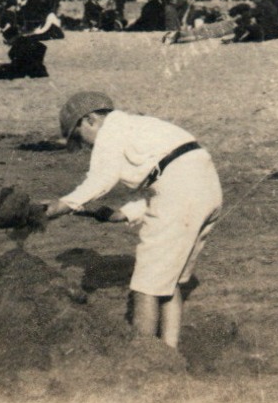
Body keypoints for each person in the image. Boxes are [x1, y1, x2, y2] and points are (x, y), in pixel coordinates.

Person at [41, 91, 222, 348]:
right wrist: (122, 214)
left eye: (79, 136)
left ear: (90, 119)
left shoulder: (111, 130)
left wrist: (61, 206)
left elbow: (101, 180)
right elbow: (169, 177)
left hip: (182, 189)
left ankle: (142, 358)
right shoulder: (139, 126)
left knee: (145, 285)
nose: (85, 146)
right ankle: (168, 351)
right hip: (207, 187)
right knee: (169, 282)